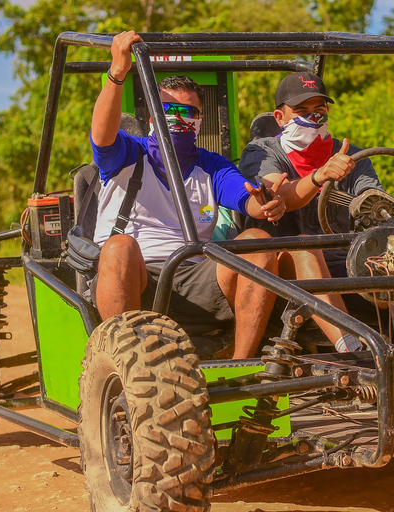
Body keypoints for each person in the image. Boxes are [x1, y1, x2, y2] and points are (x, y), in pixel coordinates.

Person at [91, 31, 290, 359]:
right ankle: (125, 361)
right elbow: (102, 135)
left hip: (196, 273)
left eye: (190, 112)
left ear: (200, 120)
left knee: (258, 244)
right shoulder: (128, 152)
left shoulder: (210, 165)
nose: (181, 119)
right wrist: (117, 73)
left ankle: (242, 365)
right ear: (153, 117)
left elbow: (248, 200)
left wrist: (267, 201)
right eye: (171, 109)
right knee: (119, 246)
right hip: (136, 275)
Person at [239, 72, 394, 343]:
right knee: (305, 247)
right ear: (279, 117)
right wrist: (320, 176)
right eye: (301, 111)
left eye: (319, 110)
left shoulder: (350, 156)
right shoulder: (262, 153)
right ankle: (351, 348)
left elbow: (373, 205)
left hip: (348, 265)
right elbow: (276, 195)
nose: (312, 118)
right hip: (283, 271)